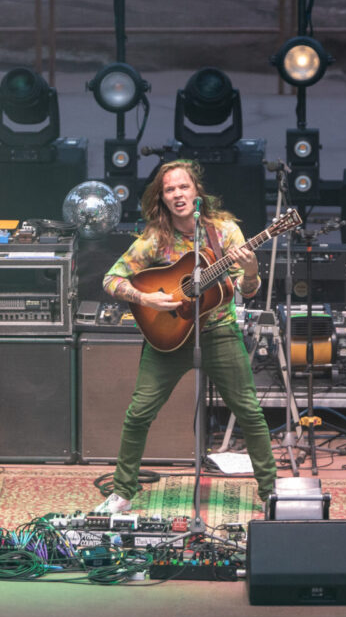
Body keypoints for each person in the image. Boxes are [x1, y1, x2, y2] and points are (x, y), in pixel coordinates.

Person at [94, 160, 278, 514]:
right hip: (168, 338)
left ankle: (270, 491)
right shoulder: (153, 239)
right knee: (138, 413)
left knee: (250, 413)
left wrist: (252, 271)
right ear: (161, 198)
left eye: (183, 187)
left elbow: (247, 289)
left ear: (197, 192)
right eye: (169, 190)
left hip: (220, 331)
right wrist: (146, 298)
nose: (178, 194)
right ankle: (122, 492)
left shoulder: (224, 232)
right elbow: (111, 279)